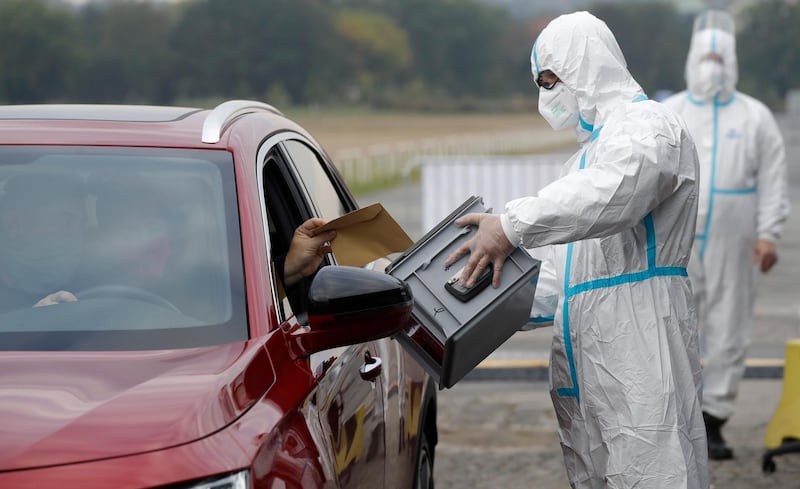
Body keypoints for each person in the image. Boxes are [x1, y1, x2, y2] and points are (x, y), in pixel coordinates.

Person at [446, 11, 708, 488]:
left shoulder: (649, 127)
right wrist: (479, 297)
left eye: (550, 81)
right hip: (587, 353)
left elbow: (617, 194)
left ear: (583, 68)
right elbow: (564, 277)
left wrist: (511, 225)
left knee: (656, 469)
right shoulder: (585, 158)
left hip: (640, 340)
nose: (546, 97)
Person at [662, 10, 790, 460]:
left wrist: (769, 233)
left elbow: (774, 178)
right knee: (674, 320)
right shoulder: (668, 113)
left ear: (732, 60)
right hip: (676, 237)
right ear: (691, 58)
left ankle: (713, 418)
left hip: (735, 238)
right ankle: (675, 416)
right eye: (705, 56)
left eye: (720, 56)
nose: (712, 64)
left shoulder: (754, 116)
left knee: (730, 322)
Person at [0, 172, 88, 311]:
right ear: (14, 225)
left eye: (82, 222)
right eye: (66, 219)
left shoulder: (94, 280)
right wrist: (33, 321)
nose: (77, 230)